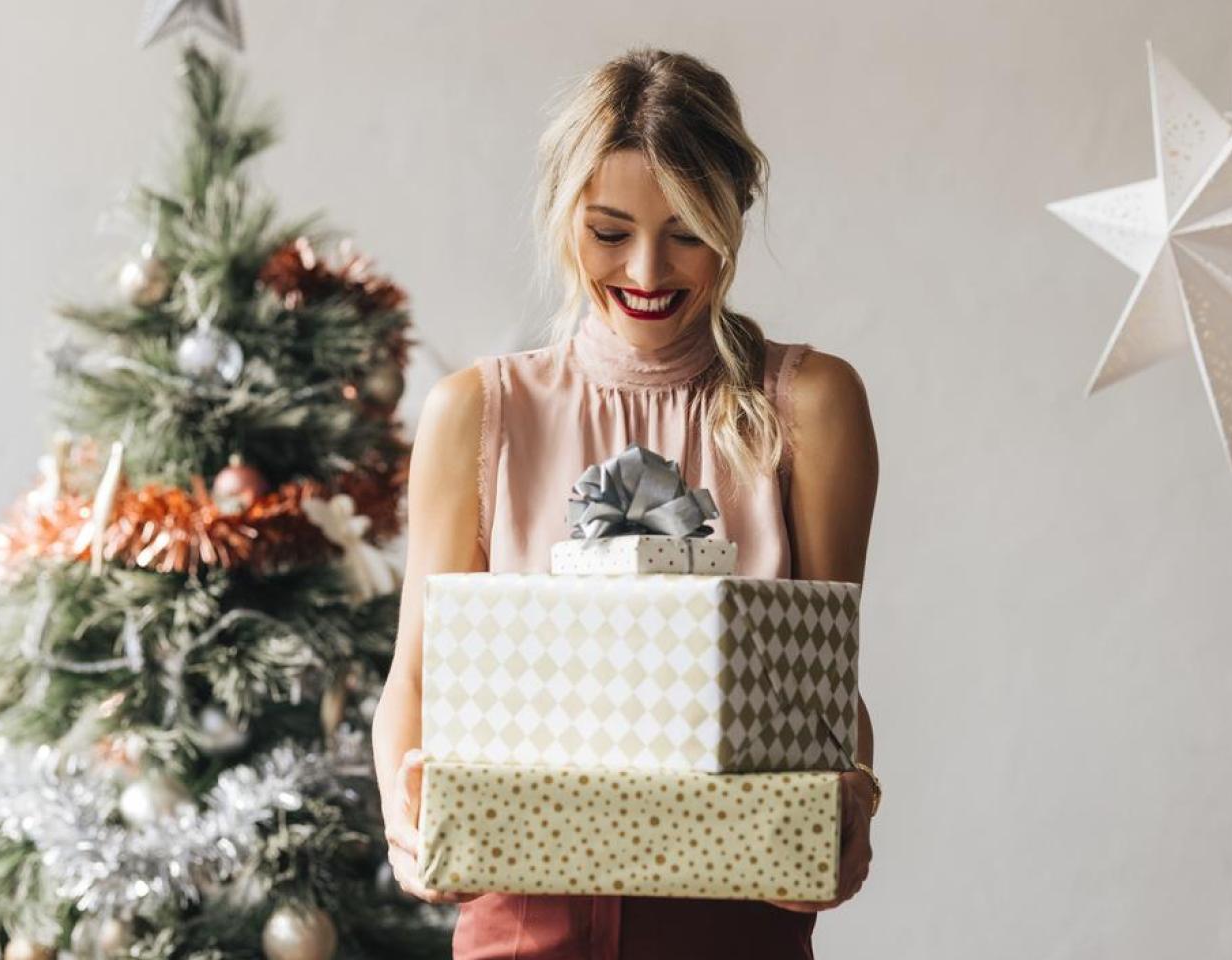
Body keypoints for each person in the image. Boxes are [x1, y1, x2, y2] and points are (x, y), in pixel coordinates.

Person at [372, 47, 880, 960]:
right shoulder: (477, 412)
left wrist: (852, 803)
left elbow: (828, 688)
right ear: (563, 215)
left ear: (735, 218)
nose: (647, 270)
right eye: (610, 232)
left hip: (737, 926)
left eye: (687, 232)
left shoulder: (809, 405)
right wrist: (407, 829)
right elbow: (414, 677)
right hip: (522, 925)